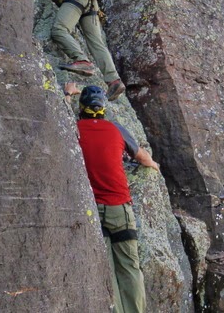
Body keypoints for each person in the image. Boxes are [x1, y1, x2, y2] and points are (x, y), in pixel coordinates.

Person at [65, 82, 159, 313]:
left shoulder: (74, 129)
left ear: (82, 107)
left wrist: (67, 94)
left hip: (92, 209)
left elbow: (59, 120)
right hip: (119, 208)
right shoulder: (116, 129)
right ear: (103, 107)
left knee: (106, 269)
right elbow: (143, 158)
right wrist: (154, 165)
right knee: (129, 267)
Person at [35, 0, 125, 101]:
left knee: (59, 30)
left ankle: (81, 59)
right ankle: (114, 80)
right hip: (92, 3)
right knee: (96, 42)